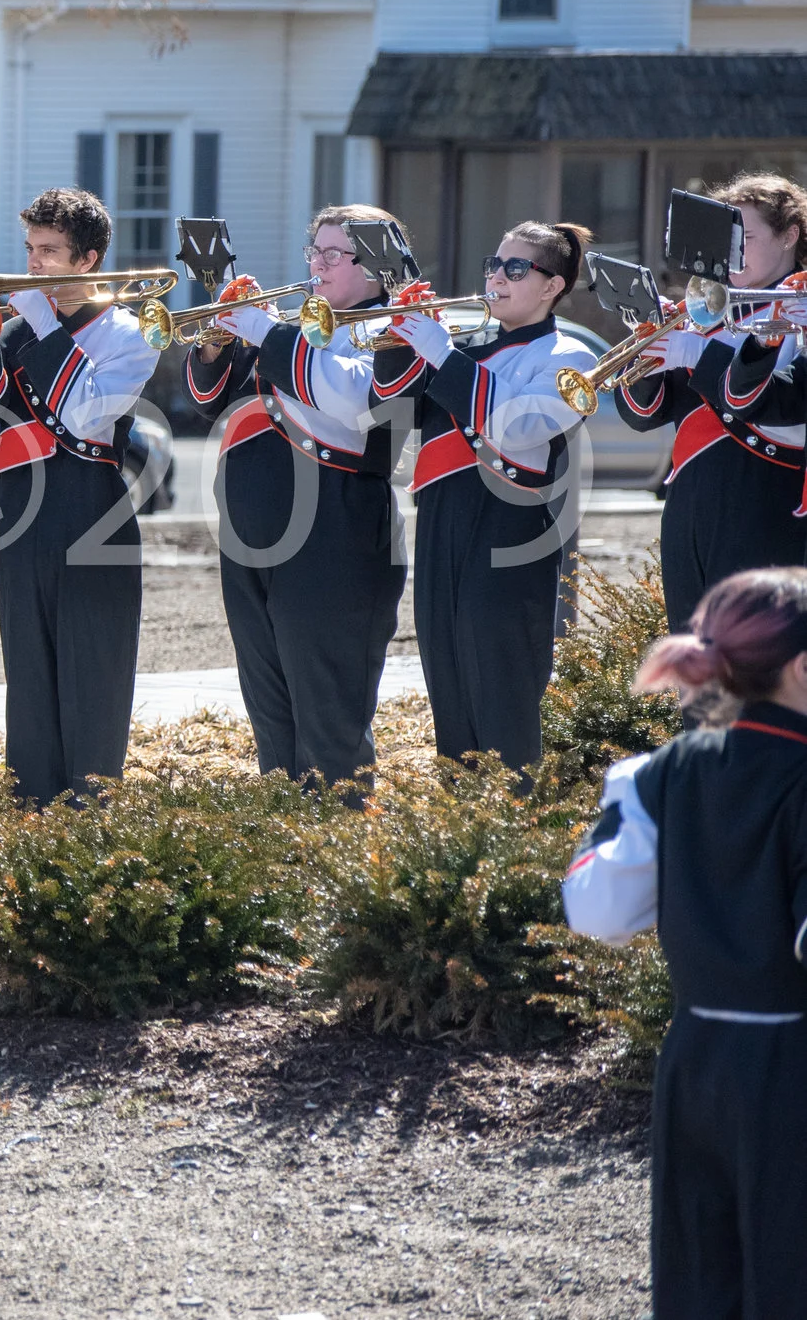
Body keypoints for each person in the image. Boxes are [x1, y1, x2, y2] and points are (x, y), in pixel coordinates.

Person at [562, 567, 807, 1314]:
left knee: (699, 1279)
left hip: (694, 1059)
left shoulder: (658, 772)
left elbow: (597, 908)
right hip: (790, 1069)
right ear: (802, 667)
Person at [183, 205, 410, 785]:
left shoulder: (397, 329)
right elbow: (213, 399)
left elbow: (354, 398)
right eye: (315, 251)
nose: (318, 265)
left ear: (377, 269)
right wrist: (218, 340)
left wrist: (266, 331)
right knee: (272, 718)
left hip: (337, 535)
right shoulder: (302, 327)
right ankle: (284, 851)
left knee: (330, 722)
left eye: (335, 255)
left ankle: (342, 854)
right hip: (254, 536)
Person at [369, 222, 596, 770]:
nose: (497, 276)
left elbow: (520, 428)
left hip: (513, 532)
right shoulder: (466, 345)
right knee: (448, 687)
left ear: (552, 286)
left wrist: (440, 353)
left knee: (501, 692)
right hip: (444, 522)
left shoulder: (569, 354)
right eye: (494, 264)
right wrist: (402, 340)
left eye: (515, 268)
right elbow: (390, 416)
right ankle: (462, 834)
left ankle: (513, 833)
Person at [0, 189, 159, 799]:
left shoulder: (132, 330)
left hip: (91, 507)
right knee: (29, 670)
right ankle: (30, 812)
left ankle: (90, 814)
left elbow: (85, 414)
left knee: (93, 671)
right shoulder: (23, 326)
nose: (34, 263)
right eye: (29, 249)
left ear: (89, 259)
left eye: (49, 251)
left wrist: (37, 323)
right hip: (22, 508)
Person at [617, 174, 807, 629]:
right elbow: (645, 415)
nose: (732, 251)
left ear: (789, 235)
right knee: (695, 671)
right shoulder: (714, 314)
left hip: (764, 500)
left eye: (747, 236)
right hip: (690, 506)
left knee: (756, 671)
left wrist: (696, 353)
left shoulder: (798, 307)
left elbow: (784, 403)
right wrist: (650, 353)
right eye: (727, 238)